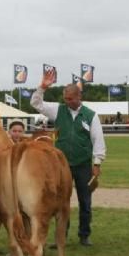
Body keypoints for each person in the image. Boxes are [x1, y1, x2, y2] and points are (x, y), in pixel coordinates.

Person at [30, 68, 106, 246]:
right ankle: (61, 236)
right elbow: (36, 103)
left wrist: (97, 163)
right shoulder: (58, 110)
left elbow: (98, 141)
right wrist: (42, 87)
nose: (67, 101)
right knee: (60, 203)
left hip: (82, 165)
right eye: (65, 99)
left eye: (70, 99)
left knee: (85, 201)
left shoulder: (91, 116)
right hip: (61, 166)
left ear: (79, 97)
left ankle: (84, 235)